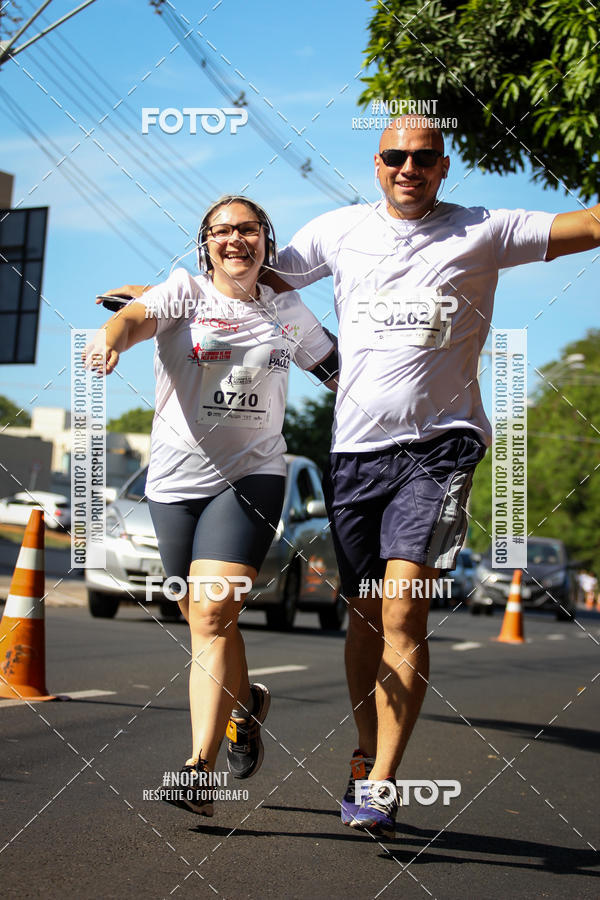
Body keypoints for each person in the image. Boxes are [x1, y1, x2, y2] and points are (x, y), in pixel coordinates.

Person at [270, 116, 600, 838]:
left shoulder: (484, 229)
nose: (408, 168)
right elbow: (254, 279)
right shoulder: (338, 231)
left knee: (402, 611)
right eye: (395, 156)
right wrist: (159, 303)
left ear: (443, 166)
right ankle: (365, 755)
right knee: (360, 618)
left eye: (422, 158)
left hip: (440, 448)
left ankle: (386, 780)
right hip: (355, 452)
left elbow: (590, 225)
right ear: (377, 163)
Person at [87, 195, 338, 818]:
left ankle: (199, 766)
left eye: (248, 229)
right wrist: (109, 339)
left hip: (252, 476)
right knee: (200, 617)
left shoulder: (285, 309)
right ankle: (245, 702)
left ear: (265, 240)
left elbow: (337, 369)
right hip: (173, 484)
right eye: (222, 231)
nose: (236, 240)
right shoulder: (181, 293)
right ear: (206, 243)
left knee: (210, 615)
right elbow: (136, 319)